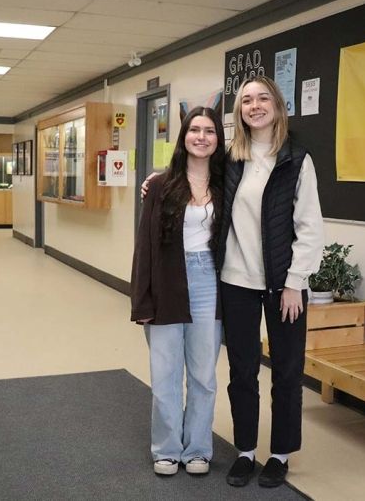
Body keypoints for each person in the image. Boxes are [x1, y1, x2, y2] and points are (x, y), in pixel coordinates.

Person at [142, 76, 325, 488]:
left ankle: (279, 455)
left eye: (262, 99)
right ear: (239, 111)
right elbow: (191, 168)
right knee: (241, 371)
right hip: (234, 281)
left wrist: (296, 281)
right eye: (246, 100)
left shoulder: (296, 158)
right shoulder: (234, 159)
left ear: (277, 106)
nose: (255, 106)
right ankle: (245, 450)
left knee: (286, 372)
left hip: (284, 286)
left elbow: (310, 226)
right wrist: (152, 181)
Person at [130, 106, 226, 477]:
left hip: (209, 282)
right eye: (194, 130)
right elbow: (145, 246)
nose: (201, 137)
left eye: (210, 131)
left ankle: (198, 448)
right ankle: (167, 449)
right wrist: (142, 299)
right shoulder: (159, 185)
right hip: (168, 280)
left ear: (218, 139)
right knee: (166, 373)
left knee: (203, 375)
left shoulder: (226, 184)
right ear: (183, 136)